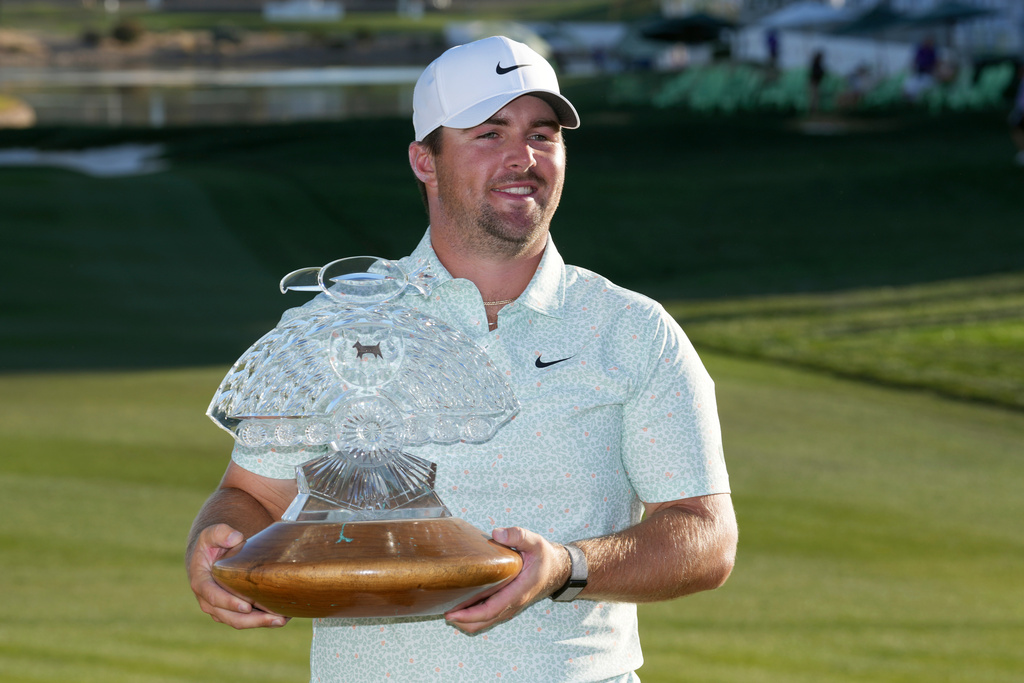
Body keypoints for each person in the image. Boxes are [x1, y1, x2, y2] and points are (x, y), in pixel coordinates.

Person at [186, 35, 737, 681]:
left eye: (544, 133)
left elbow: (704, 536)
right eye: (489, 134)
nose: (523, 157)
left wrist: (565, 566)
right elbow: (250, 494)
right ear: (425, 160)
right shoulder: (332, 325)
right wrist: (215, 541)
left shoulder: (633, 330)